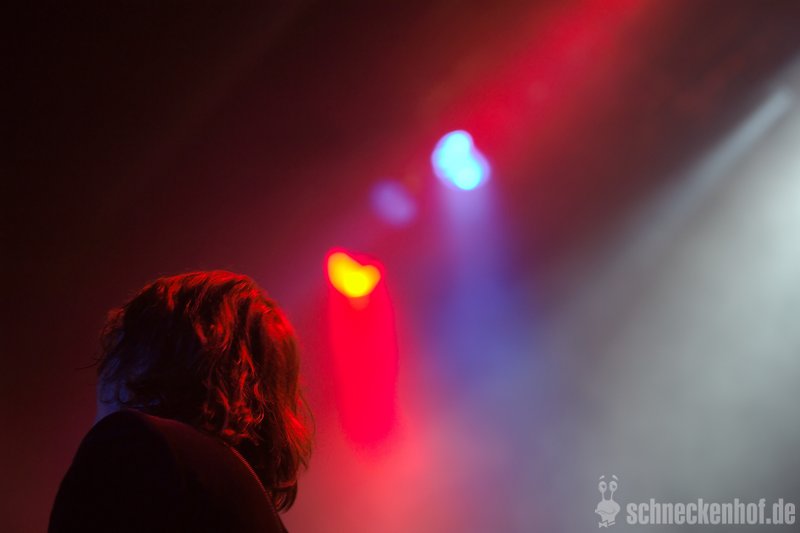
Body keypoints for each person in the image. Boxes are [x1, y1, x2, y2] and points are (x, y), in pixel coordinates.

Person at [49, 271, 313, 532]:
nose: (104, 373)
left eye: (118, 346)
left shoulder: (135, 444)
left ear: (147, 355)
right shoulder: (247, 502)